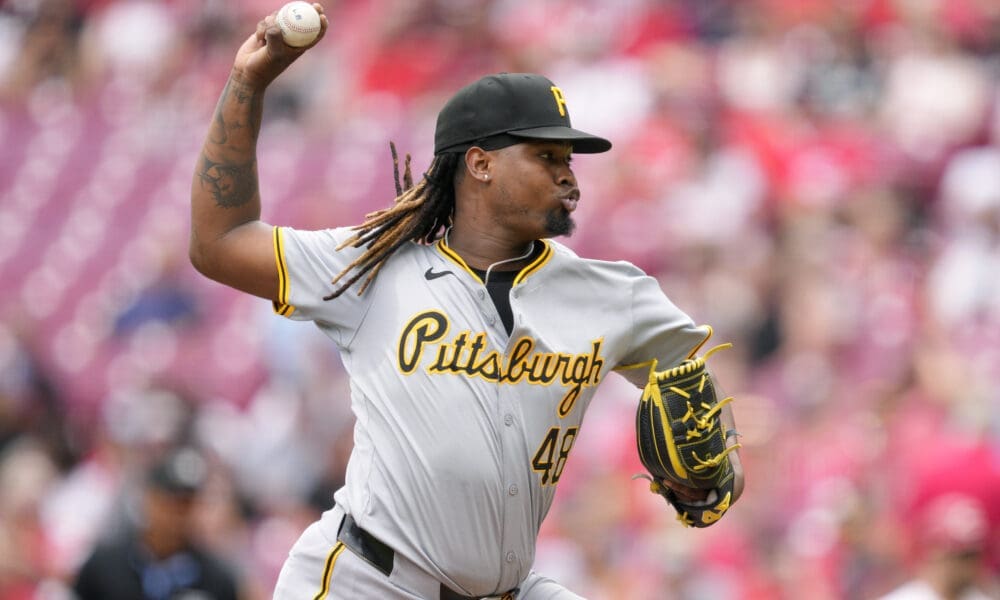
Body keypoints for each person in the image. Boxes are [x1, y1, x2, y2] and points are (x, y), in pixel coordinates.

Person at [188, 4, 744, 599]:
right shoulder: (375, 265)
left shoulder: (613, 295)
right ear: (479, 163)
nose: (570, 177)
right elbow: (218, 243)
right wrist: (249, 83)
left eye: (569, 160)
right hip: (370, 580)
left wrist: (713, 479)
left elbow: (696, 382)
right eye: (545, 156)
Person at [72, 446, 242, 600]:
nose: (178, 515)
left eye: (188, 504)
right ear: (149, 500)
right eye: (171, 503)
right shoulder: (104, 566)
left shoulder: (216, 580)